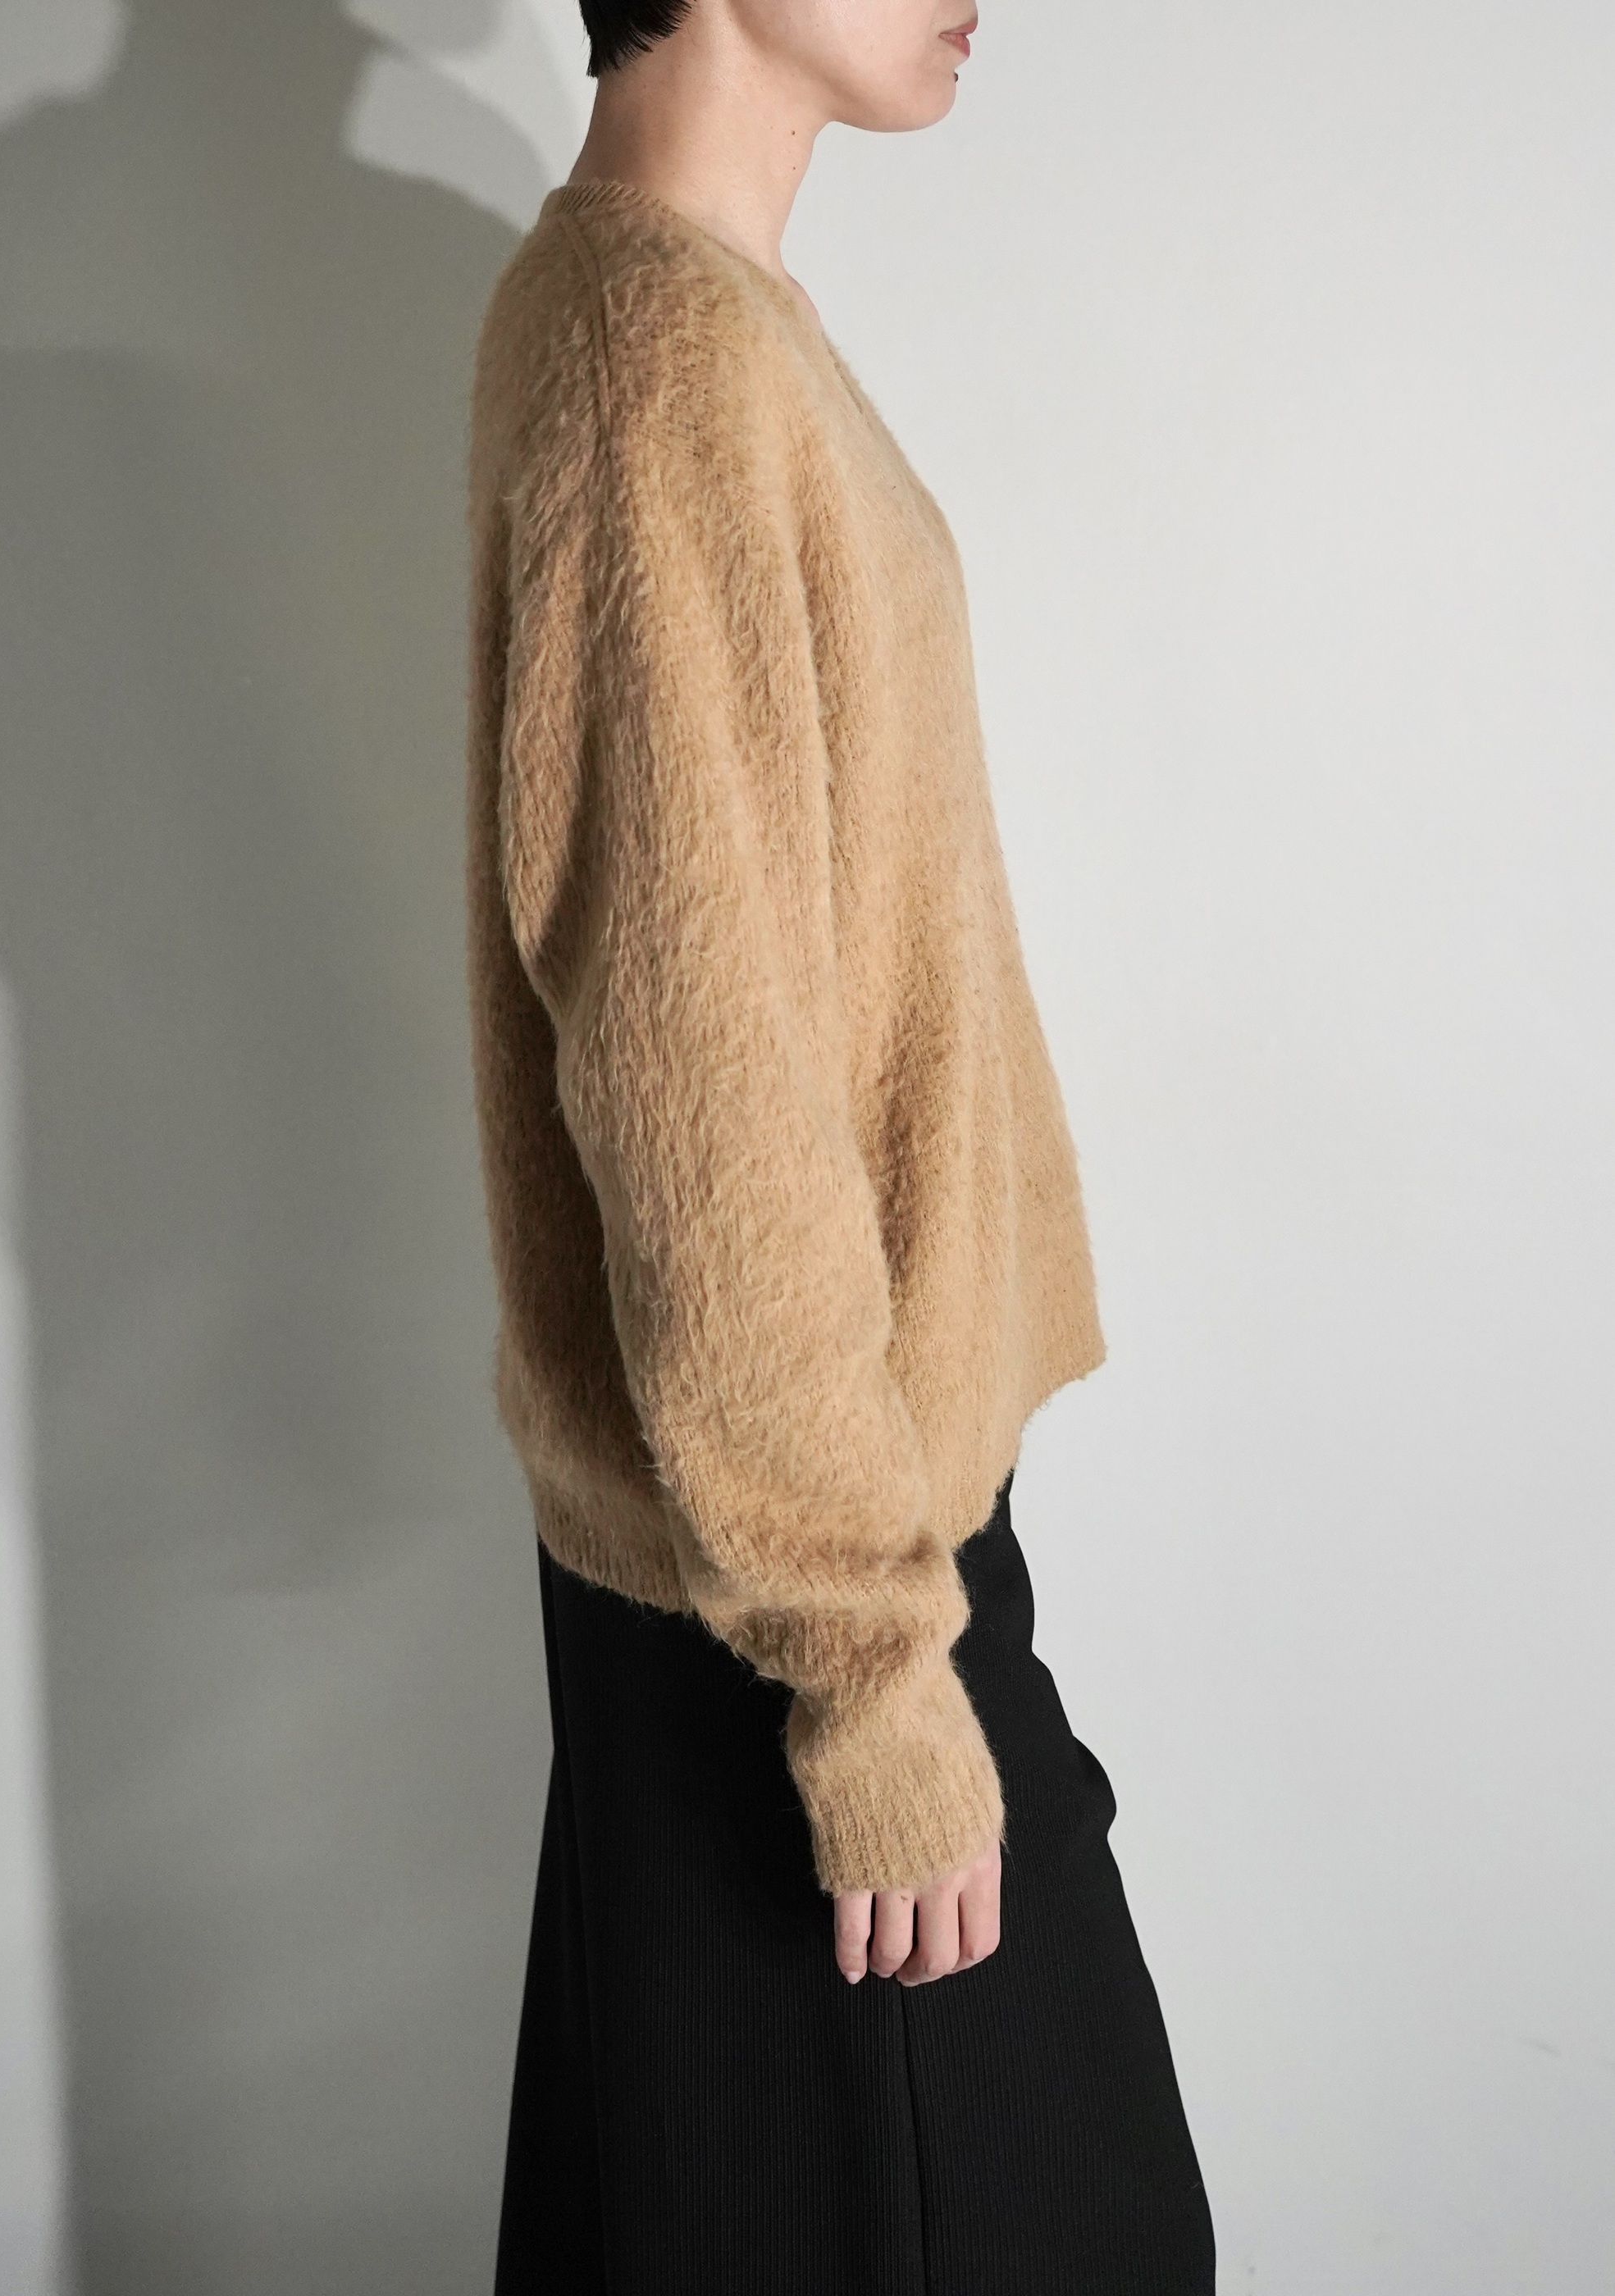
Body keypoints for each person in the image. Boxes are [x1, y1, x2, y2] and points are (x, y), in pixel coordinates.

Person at [463, 2, 1216, 2287]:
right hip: (795, 1592)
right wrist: (870, 1671)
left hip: (812, 1528)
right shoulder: (654, 353)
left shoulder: (700, 313)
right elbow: (699, 1074)